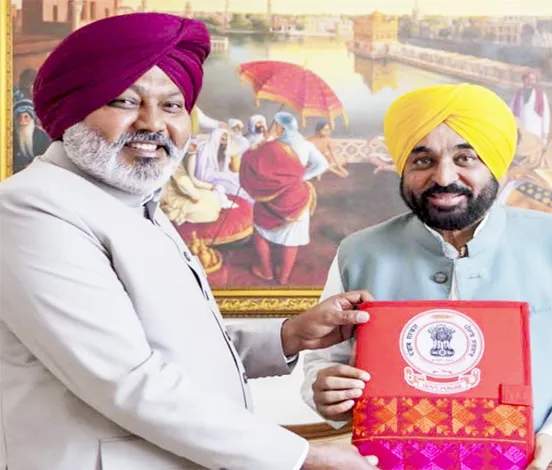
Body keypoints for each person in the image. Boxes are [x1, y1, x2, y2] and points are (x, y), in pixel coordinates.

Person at [0, 13, 378, 470]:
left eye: (172, 105)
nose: (152, 123)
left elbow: (176, 348)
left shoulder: (136, 202)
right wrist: (301, 455)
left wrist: (289, 335)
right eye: (124, 101)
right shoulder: (32, 208)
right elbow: (125, 378)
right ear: (75, 108)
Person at [301, 83, 552, 470]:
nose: (443, 177)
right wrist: (328, 393)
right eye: (423, 160)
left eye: (465, 158)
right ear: (403, 167)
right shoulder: (358, 253)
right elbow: (324, 363)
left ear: (494, 163)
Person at [239, 112, 329, 285]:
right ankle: (284, 277)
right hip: (297, 197)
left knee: (260, 233)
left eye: (276, 126)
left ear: (280, 128)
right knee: (291, 239)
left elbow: (252, 164)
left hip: (271, 197)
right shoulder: (306, 145)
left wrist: (254, 149)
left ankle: (266, 272)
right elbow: (323, 164)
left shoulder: (269, 146)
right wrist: (302, 177)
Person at [510, 70, 551, 144]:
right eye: (527, 79)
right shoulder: (518, 94)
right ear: (523, 80)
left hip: (535, 130)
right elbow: (511, 111)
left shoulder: (541, 95)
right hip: (521, 130)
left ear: (535, 81)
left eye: (532, 80)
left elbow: (546, 115)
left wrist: (545, 133)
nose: (529, 82)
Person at [12, 98, 50, 172]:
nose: (22, 121)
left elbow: (48, 159)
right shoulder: (10, 137)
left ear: (32, 118)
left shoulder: (42, 136)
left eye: (26, 117)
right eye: (19, 117)